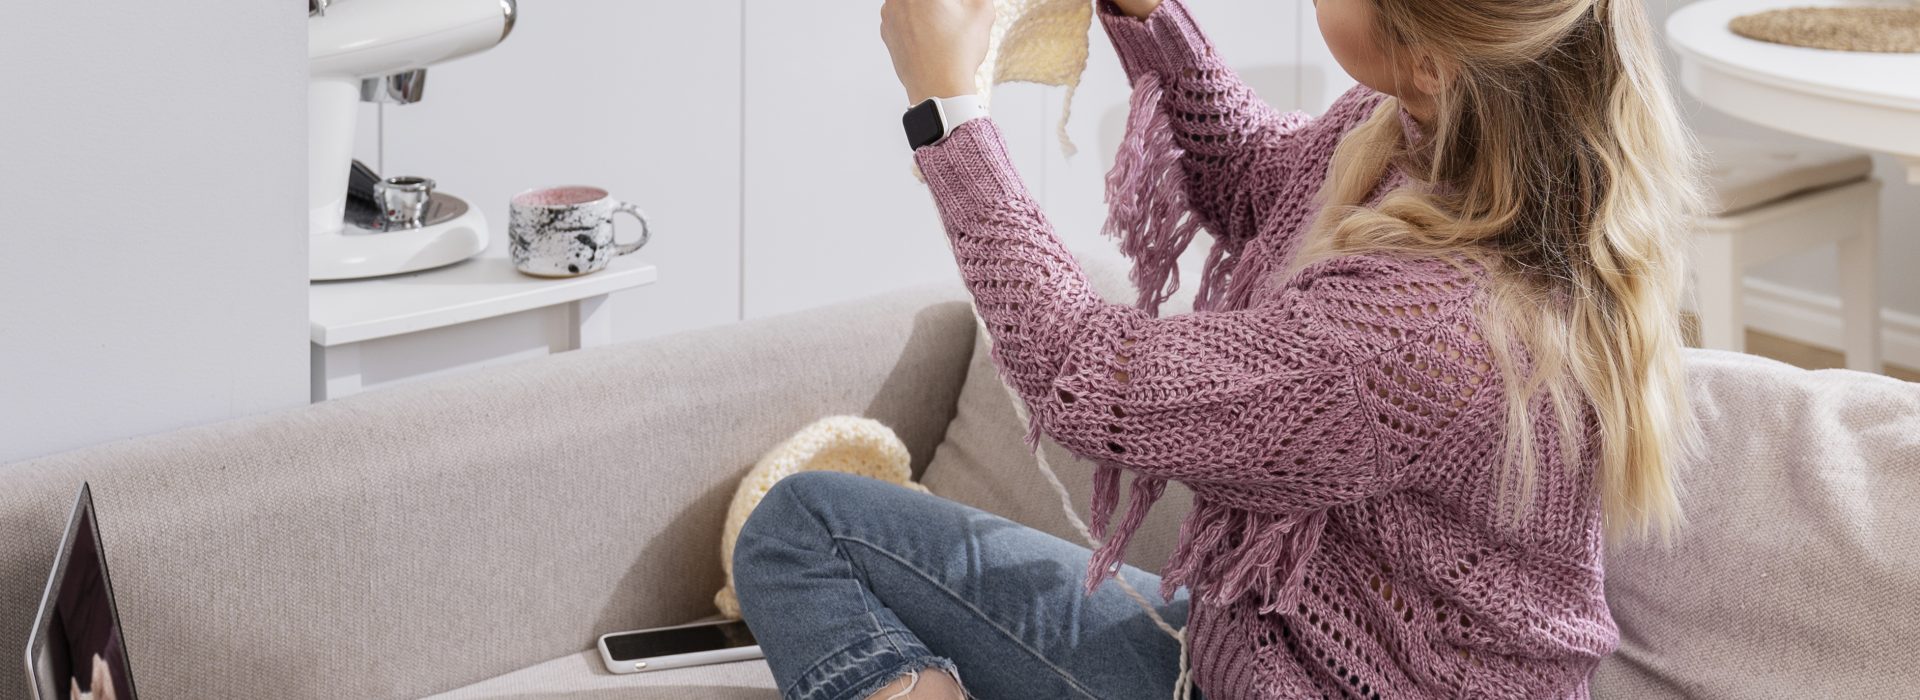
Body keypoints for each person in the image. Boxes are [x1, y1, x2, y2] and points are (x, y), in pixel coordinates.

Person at [732, 0, 1704, 697]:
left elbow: (1086, 372)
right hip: (1244, 649)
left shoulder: (1427, 333)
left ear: (1432, 61)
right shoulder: (1441, 135)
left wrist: (946, 113)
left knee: (799, 532)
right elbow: (1251, 180)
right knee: (803, 522)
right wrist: (1148, 14)